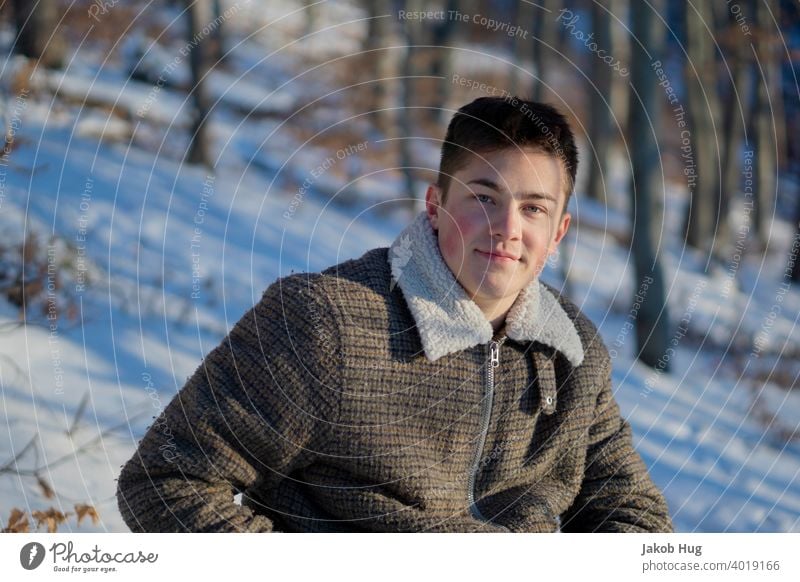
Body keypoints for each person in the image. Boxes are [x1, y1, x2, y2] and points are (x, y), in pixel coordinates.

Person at [116, 96, 673, 533]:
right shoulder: (324, 323)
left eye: (533, 208)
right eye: (483, 197)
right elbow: (166, 481)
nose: (508, 227)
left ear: (558, 234)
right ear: (435, 206)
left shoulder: (570, 352)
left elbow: (629, 510)